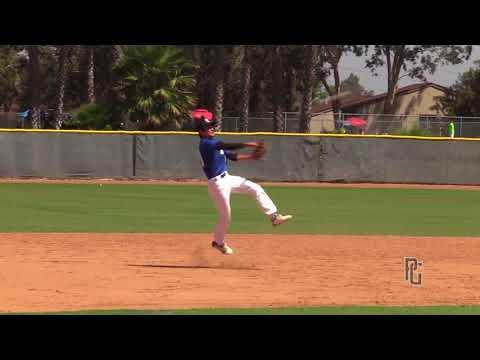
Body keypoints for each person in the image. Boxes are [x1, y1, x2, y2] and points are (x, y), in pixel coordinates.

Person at [192, 108, 293, 255]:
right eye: (208, 127)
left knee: (255, 188)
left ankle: (274, 216)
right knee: (226, 215)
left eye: (212, 126)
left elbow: (231, 155)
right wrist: (250, 144)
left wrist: (251, 157)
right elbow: (227, 146)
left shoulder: (214, 143)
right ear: (201, 131)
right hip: (217, 184)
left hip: (227, 178)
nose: (212, 128)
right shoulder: (206, 144)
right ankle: (218, 243)